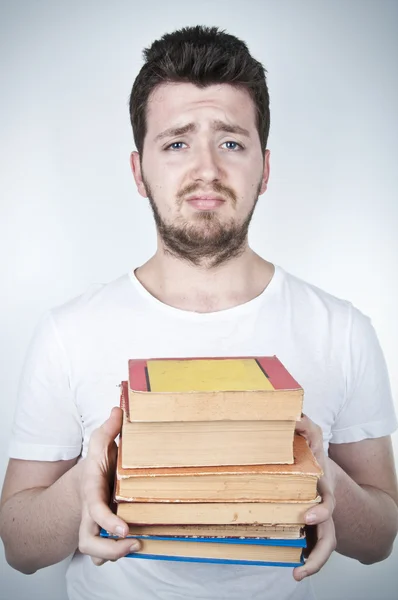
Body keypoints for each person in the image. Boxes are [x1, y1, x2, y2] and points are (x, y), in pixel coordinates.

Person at [1, 25, 397, 600]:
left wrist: (314, 470)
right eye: (177, 142)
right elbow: (19, 547)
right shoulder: (68, 331)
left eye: (231, 142)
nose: (207, 169)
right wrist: (90, 481)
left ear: (265, 166)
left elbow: (381, 536)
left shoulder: (343, 330)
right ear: (139, 172)